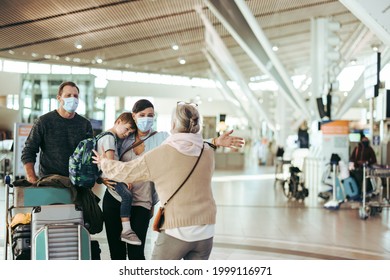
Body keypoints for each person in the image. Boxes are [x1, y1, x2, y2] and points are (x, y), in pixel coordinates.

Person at [93, 101, 245, 259]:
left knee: (136, 254)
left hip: (141, 203)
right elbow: (101, 155)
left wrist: (214, 141)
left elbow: (185, 142)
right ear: (134, 116)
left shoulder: (163, 140)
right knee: (116, 252)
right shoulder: (123, 136)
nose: (146, 119)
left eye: (150, 115)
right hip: (116, 199)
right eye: (142, 115)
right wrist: (103, 177)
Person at [21, 81, 93, 183]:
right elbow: (29, 150)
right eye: (68, 95)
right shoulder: (44, 121)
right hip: (50, 181)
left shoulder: (85, 124)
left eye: (75, 96)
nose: (73, 99)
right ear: (59, 98)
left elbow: (90, 154)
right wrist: (31, 177)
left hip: (77, 183)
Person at [96, 112, 141, 245]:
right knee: (127, 196)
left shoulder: (106, 136)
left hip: (108, 176)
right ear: (118, 121)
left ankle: (126, 230)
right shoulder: (109, 138)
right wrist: (124, 179)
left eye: (130, 132)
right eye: (126, 129)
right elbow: (111, 164)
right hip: (112, 176)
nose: (127, 134)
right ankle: (126, 230)